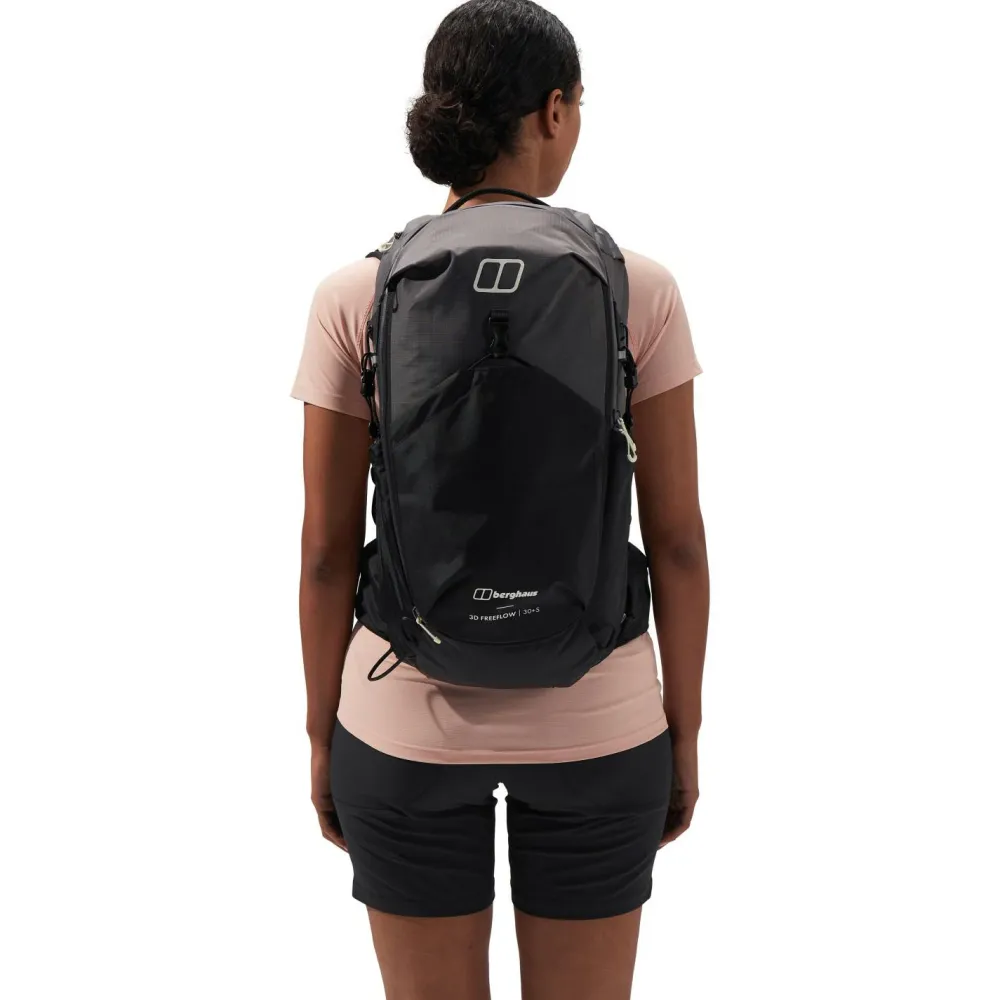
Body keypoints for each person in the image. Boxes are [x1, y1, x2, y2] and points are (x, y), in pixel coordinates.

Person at [290, 2, 710, 997]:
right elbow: (679, 543)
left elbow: (325, 551)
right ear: (553, 111)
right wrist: (682, 730)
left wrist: (322, 733)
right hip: (602, 721)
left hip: (401, 724)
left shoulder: (355, 296)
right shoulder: (636, 288)